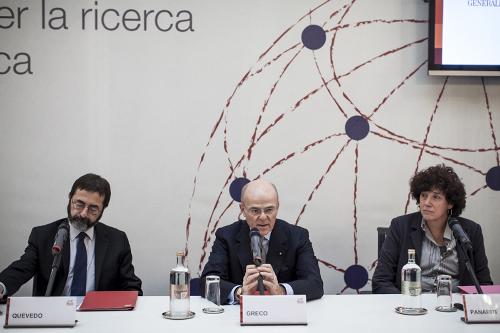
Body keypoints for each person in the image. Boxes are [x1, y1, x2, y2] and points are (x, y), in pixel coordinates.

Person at [0, 173, 142, 299]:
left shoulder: (117, 240)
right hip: (53, 317)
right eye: (79, 204)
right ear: (70, 198)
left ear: (103, 209)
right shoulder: (43, 236)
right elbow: (21, 269)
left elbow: (130, 284)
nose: (83, 214)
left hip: (100, 317)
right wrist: (2, 286)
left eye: (93, 208)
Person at [372, 164, 493, 294]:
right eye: (424, 195)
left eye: (436, 197)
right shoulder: (400, 226)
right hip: (412, 307)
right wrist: (407, 304)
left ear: (450, 203)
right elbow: (381, 281)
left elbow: (484, 284)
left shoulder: (470, 231)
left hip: (456, 308)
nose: (427, 203)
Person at [201, 179, 323, 304]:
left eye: (269, 210)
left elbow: (315, 283)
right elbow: (208, 281)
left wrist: (281, 290)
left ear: (277, 207)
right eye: (255, 211)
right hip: (238, 316)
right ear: (242, 209)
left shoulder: (298, 236)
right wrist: (240, 292)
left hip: (282, 314)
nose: (263, 217)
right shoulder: (226, 236)